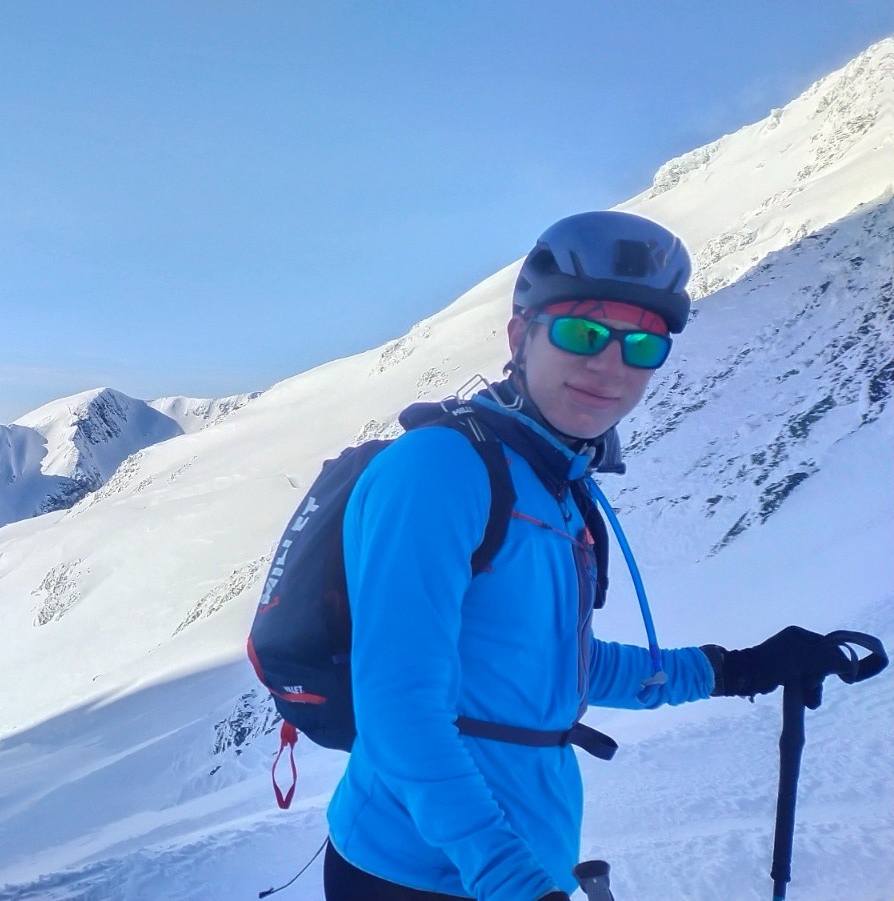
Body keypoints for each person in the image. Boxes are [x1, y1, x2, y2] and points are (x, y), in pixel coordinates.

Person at [323, 211, 877, 901]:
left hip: (524, 855)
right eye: (582, 332)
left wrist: (736, 669)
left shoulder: (553, 479)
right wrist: (516, 881)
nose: (610, 365)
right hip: (418, 871)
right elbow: (398, 709)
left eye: (642, 345)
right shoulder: (439, 471)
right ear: (519, 336)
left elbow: (561, 663)